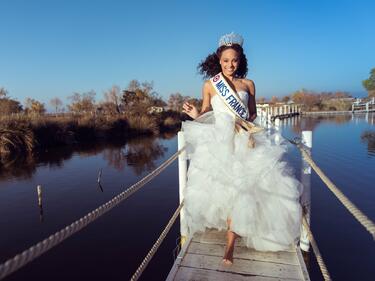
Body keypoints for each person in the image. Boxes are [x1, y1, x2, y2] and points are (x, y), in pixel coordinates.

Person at [181, 33, 302, 265]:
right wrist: (195, 114)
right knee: (228, 190)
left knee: (245, 189)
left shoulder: (248, 84)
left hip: (245, 139)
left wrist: (243, 122)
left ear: (240, 60)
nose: (230, 65)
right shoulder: (210, 85)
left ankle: (230, 245)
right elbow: (207, 111)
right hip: (220, 142)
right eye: (226, 61)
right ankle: (230, 241)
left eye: (234, 60)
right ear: (219, 61)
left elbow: (253, 113)